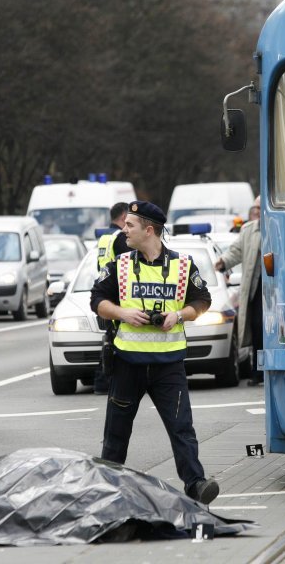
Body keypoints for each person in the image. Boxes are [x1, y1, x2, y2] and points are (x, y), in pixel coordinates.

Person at [90, 201, 220, 504]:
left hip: (168, 365)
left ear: (149, 230)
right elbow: (97, 300)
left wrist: (180, 315)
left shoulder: (182, 265)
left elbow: (203, 300)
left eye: (130, 225)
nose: (124, 230)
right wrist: (122, 313)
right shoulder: (119, 265)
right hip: (128, 363)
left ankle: (196, 485)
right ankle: (108, 488)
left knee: (181, 428)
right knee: (116, 434)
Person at [215, 195, 263, 386]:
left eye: (260, 207)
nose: (257, 211)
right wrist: (223, 261)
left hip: (277, 289)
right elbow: (236, 251)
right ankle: (258, 371)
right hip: (255, 289)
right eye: (256, 208)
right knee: (257, 328)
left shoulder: (280, 227)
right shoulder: (248, 230)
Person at [93, 202, 131, 395]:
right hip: (117, 293)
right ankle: (104, 380)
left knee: (110, 338)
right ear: (124, 216)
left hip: (105, 290)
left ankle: (103, 380)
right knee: (116, 339)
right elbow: (129, 265)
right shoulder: (120, 238)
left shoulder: (104, 237)